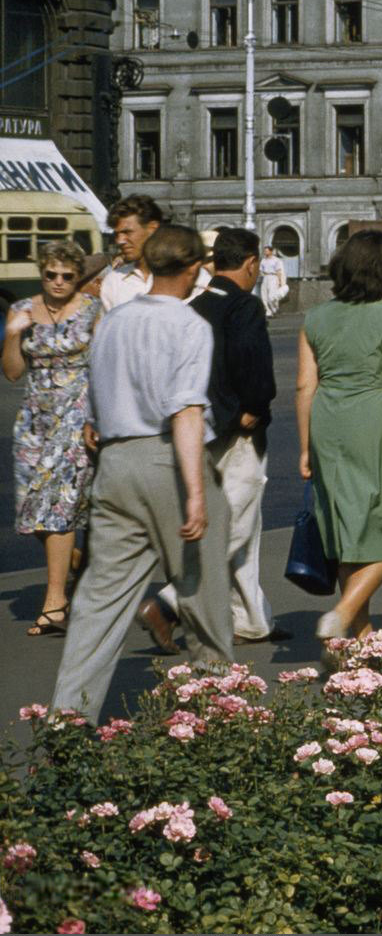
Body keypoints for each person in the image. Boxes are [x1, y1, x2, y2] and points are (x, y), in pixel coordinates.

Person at [51, 226, 226, 722]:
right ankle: (217, 711)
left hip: (115, 461)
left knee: (101, 598)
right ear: (193, 268)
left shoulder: (113, 320)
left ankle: (69, 715)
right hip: (166, 458)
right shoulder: (189, 324)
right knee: (202, 586)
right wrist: (195, 493)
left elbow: (95, 391)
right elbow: (186, 410)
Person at [141, 228, 278, 651]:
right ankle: (168, 603)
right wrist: (254, 407)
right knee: (234, 523)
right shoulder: (245, 306)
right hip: (238, 429)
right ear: (252, 263)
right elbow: (252, 362)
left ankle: (252, 620)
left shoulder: (194, 305)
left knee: (244, 526)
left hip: (199, 427)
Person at [299, 230, 382, 653]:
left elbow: (303, 386)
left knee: (345, 530)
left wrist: (306, 446)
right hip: (375, 419)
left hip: (328, 421)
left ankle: (361, 641)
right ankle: (343, 614)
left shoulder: (316, 317)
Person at [6, 241, 100, 637]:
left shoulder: (93, 310)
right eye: (51, 275)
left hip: (75, 415)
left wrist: (96, 417)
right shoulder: (21, 310)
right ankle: (74, 560)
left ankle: (55, 604)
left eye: (67, 276)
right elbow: (11, 373)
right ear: (41, 272)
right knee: (32, 509)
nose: (59, 282)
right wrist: (13, 336)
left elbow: (104, 365)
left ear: (78, 277)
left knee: (57, 506)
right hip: (33, 419)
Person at [95, 195, 168, 311]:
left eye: (127, 232)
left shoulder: (182, 278)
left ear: (152, 229)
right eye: (117, 234)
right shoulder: (114, 281)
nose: (120, 241)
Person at [258, 245, 289, 317]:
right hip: (265, 277)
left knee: (271, 296)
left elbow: (279, 271)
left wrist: (280, 282)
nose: (265, 252)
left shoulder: (276, 260)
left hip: (273, 277)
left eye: (267, 250)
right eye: (264, 251)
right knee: (264, 295)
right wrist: (263, 274)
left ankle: (275, 309)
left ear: (271, 251)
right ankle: (268, 312)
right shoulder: (263, 260)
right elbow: (261, 270)